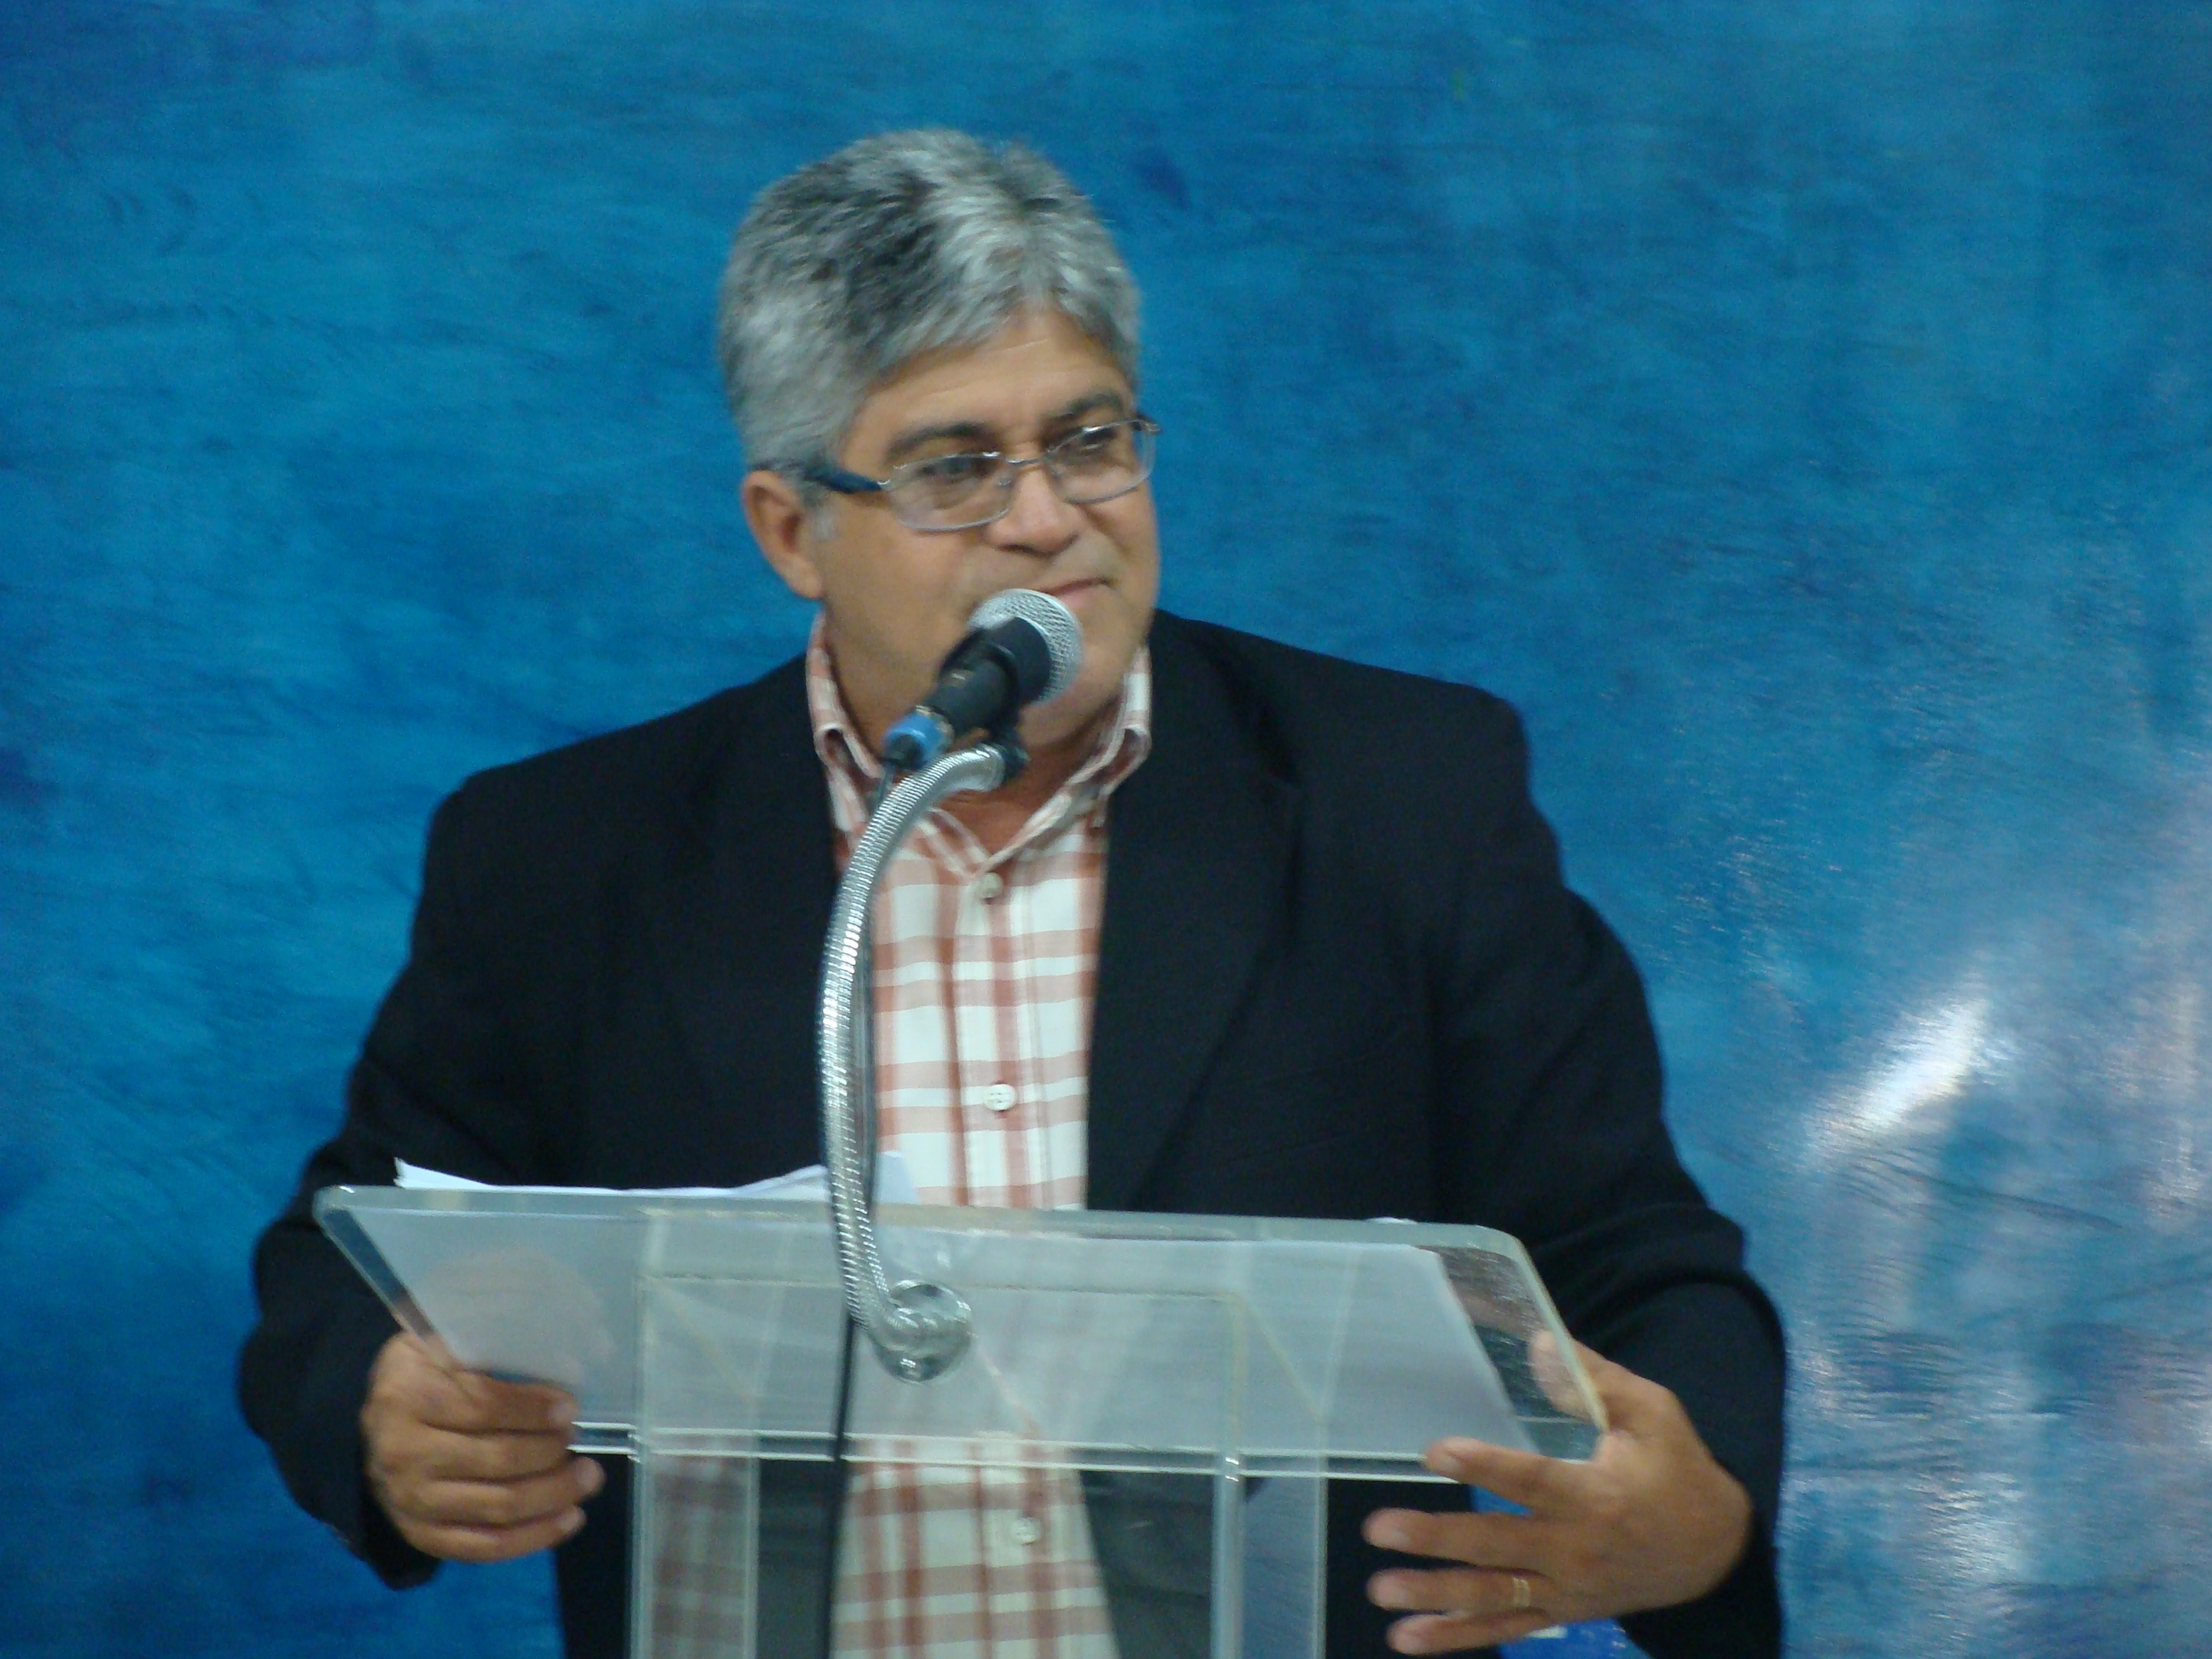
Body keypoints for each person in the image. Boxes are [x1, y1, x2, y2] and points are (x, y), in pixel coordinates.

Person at [240, 129, 1784, 1657]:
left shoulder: (1401, 797)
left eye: (1089, 441)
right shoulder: (565, 860)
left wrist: (1694, 1517)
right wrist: (386, 1406)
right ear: (792, 529)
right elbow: (347, 1260)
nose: (1047, 520)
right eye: (956, 468)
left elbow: (1632, 1255)